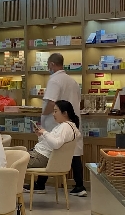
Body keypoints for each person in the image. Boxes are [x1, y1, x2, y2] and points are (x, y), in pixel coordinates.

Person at [26, 53, 86, 197]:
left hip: (56, 123)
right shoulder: (73, 81)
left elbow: (51, 102)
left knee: (50, 150)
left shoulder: (54, 80)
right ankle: (79, 185)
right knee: (73, 153)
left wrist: (44, 115)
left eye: (48, 65)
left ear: (52, 64)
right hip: (72, 121)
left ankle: (40, 184)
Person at [27, 100, 81, 170]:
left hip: (40, 157)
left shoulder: (66, 126)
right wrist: (40, 135)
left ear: (65, 113)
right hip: (38, 154)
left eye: (55, 111)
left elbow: (56, 144)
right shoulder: (64, 126)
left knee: (14, 159)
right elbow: (49, 143)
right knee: (14, 156)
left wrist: (45, 133)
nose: (53, 114)